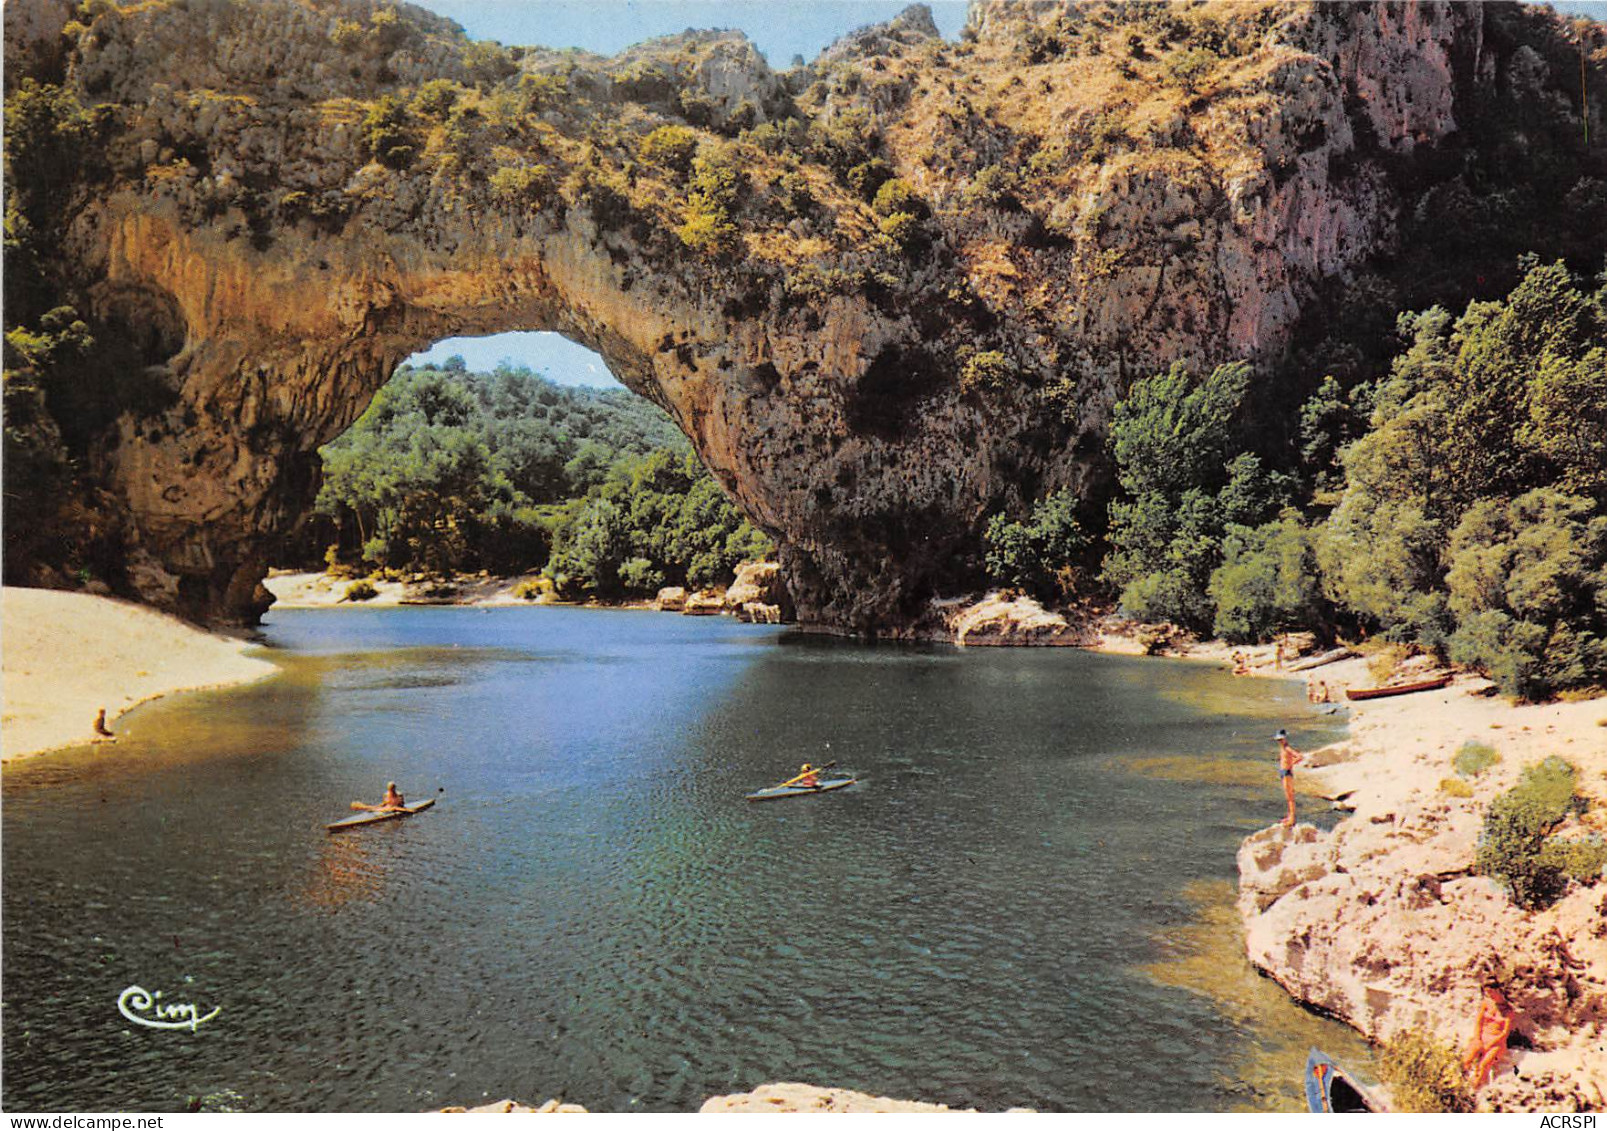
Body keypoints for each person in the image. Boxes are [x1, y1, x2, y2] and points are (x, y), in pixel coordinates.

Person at [1462, 980, 1515, 1089]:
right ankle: (1459, 1084)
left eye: (1491, 992)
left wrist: (1490, 1044)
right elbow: (1478, 1021)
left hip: (1497, 1042)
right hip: (1482, 1036)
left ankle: (1474, 1089)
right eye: (1487, 992)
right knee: (1466, 1059)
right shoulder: (1486, 1003)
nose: (1489, 995)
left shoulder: (1508, 1010)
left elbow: (1504, 1033)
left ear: (1498, 990)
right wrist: (1477, 1038)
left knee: (1483, 1065)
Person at [1274, 729, 1304, 828]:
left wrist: (1291, 764)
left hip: (1287, 773)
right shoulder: (1283, 749)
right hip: (1283, 772)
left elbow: (1299, 756)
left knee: (1290, 797)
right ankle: (1289, 816)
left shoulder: (1287, 748)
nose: (1280, 741)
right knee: (1288, 797)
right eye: (1279, 740)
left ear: (1285, 739)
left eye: (1281, 739)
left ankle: (1292, 819)